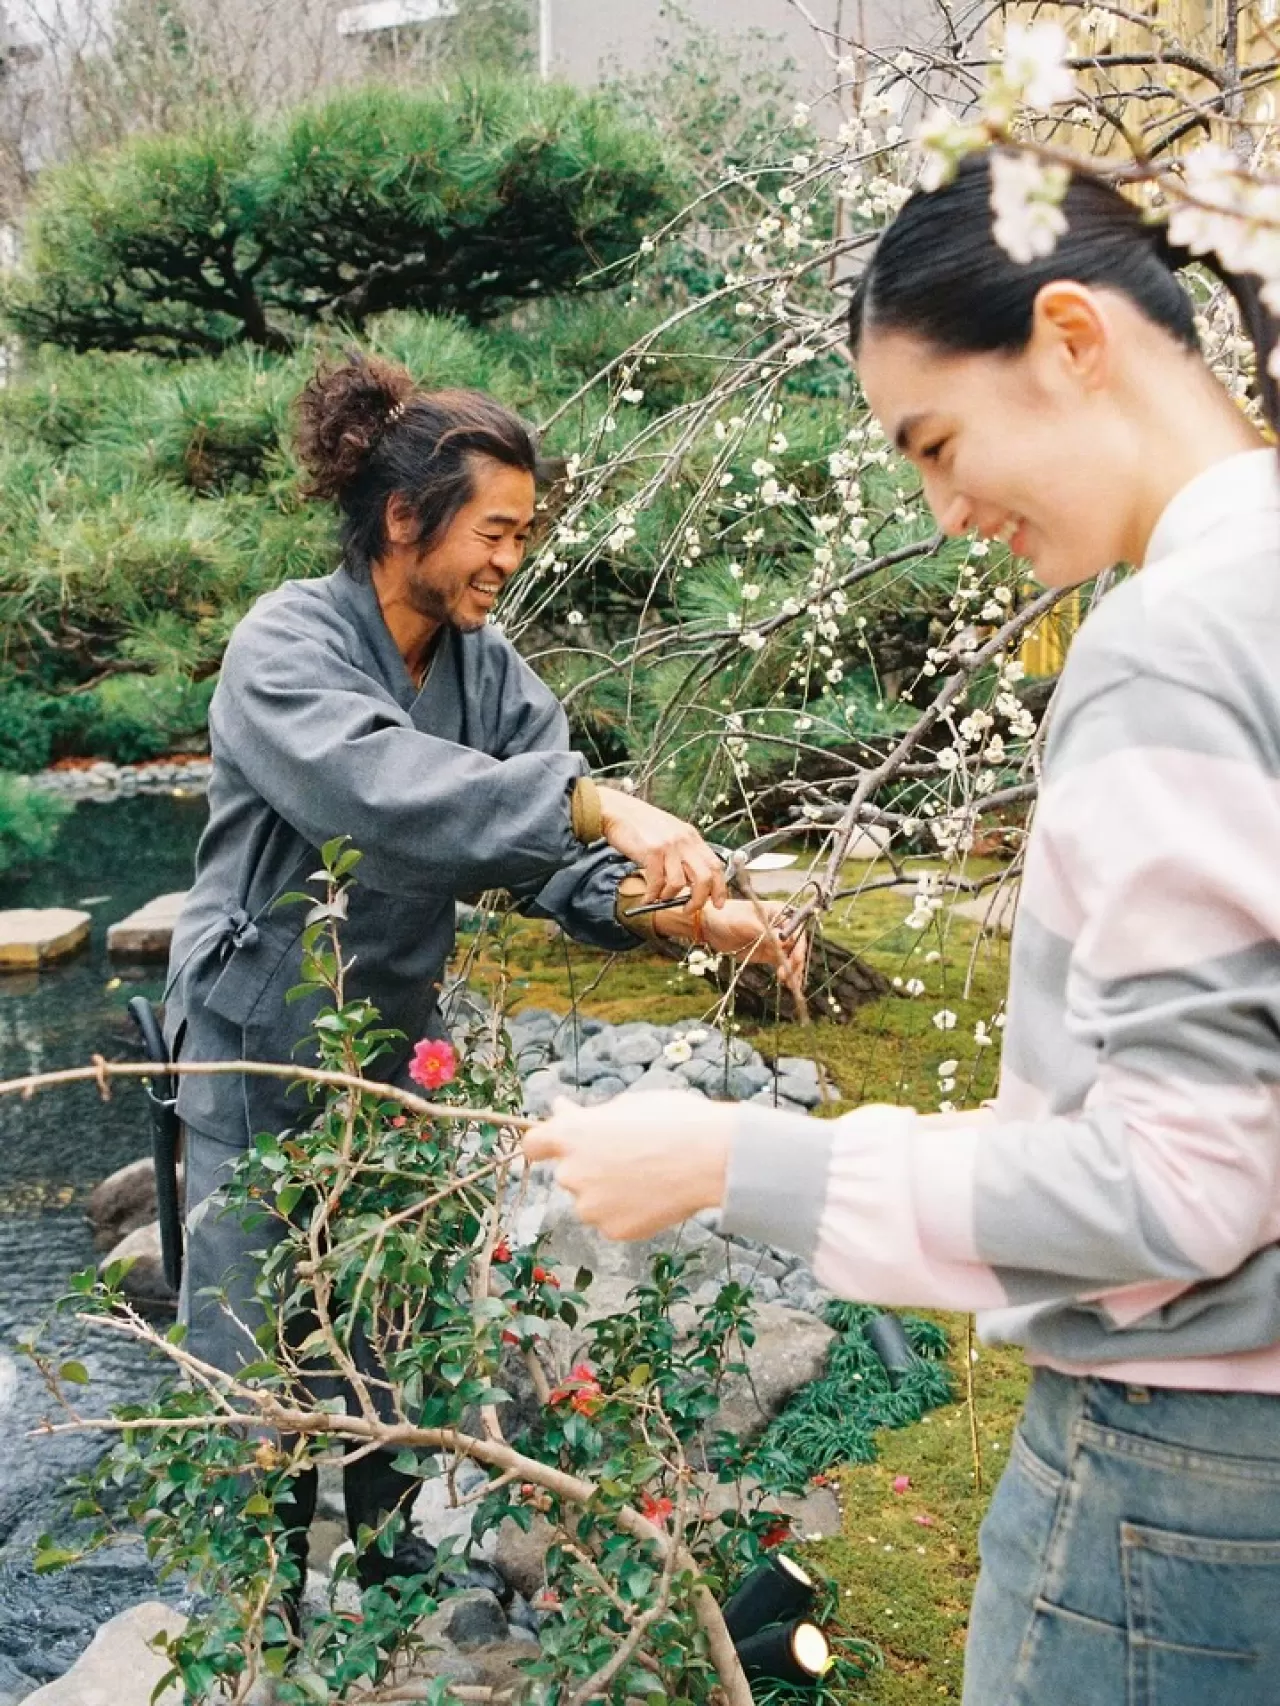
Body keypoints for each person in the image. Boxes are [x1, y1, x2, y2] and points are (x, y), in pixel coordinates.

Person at [524, 150, 1280, 1704]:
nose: (942, 513)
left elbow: (1186, 1179)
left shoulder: (1170, 648)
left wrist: (736, 1160)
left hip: (1178, 1486)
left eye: (936, 442)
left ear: (1073, 339)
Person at [164, 353, 800, 1610]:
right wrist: (596, 799)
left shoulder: (487, 672)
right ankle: (253, 1604)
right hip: (254, 1042)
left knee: (389, 1303)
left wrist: (684, 917)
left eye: (523, 532)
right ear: (405, 518)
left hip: (395, 1039)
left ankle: (391, 1546)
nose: (508, 559)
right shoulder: (284, 642)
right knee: (251, 1324)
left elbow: (550, 859)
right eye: (492, 530)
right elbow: (381, 787)